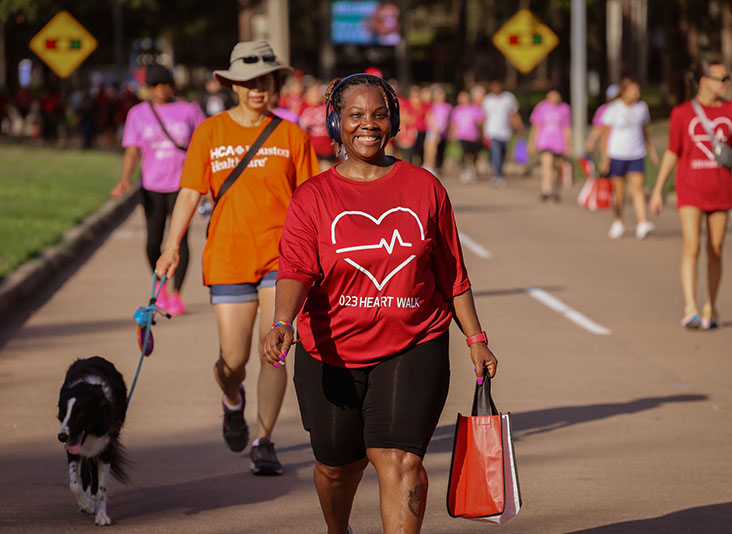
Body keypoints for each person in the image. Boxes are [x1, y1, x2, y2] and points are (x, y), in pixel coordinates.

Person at [262, 73, 498, 534]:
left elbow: (451, 272)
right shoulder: (313, 196)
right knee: (336, 465)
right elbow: (295, 268)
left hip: (414, 341)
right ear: (336, 121)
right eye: (355, 115)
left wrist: (476, 338)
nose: (368, 124)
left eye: (378, 114)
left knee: (399, 460)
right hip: (330, 350)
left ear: (392, 122)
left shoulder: (424, 188)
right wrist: (282, 321)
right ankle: (338, 530)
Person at [155, 41, 319, 475]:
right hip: (227, 258)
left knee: (275, 352)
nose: (257, 89)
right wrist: (171, 246)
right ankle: (232, 399)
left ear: (275, 82)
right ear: (233, 86)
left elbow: (311, 199)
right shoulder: (209, 132)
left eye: (265, 80)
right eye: (248, 82)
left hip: (281, 261)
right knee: (233, 362)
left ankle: (264, 440)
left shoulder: (291, 135)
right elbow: (189, 192)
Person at [649, 57, 732, 329]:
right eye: (720, 79)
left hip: (720, 189)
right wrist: (657, 190)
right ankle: (690, 306)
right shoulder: (682, 113)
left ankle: (711, 305)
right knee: (692, 245)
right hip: (689, 188)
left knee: (716, 248)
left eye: (727, 79)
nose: (725, 83)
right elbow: (672, 152)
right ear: (704, 81)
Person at [112, 64, 205, 316]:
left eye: (166, 84)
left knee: (179, 239)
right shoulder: (137, 113)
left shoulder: (189, 110)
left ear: (173, 85)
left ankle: (176, 294)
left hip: (182, 186)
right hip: (151, 186)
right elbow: (132, 149)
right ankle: (160, 286)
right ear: (148, 88)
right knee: (153, 241)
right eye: (155, 85)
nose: (162, 90)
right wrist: (124, 178)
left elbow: (203, 144)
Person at [599, 78, 659, 239]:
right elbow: (604, 136)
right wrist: (605, 158)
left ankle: (642, 222)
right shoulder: (613, 109)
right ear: (624, 91)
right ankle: (618, 221)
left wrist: (652, 152)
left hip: (637, 154)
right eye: (633, 90)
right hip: (617, 154)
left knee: (637, 188)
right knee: (619, 192)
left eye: (638, 91)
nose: (636, 94)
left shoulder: (642, 108)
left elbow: (644, 131)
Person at [529, 89, 571, 201]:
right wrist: (533, 142)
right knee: (546, 166)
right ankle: (546, 190)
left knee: (558, 168)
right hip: (545, 141)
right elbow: (536, 126)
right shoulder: (541, 107)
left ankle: (557, 191)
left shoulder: (564, 109)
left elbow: (566, 128)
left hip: (559, 142)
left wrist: (568, 144)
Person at [482, 80, 525, 186]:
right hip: (492, 131)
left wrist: (519, 125)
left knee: (502, 154)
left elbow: (514, 113)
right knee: (496, 153)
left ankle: (497, 169)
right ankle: (498, 175)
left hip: (505, 132)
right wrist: (483, 131)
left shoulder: (508, 98)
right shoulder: (488, 100)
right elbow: (485, 116)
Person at [450, 89, 484, 183]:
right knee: (466, 153)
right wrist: (452, 134)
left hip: (474, 136)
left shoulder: (475, 108)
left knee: (474, 154)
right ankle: (467, 170)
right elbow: (454, 123)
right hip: (462, 135)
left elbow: (480, 121)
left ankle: (473, 169)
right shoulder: (457, 110)